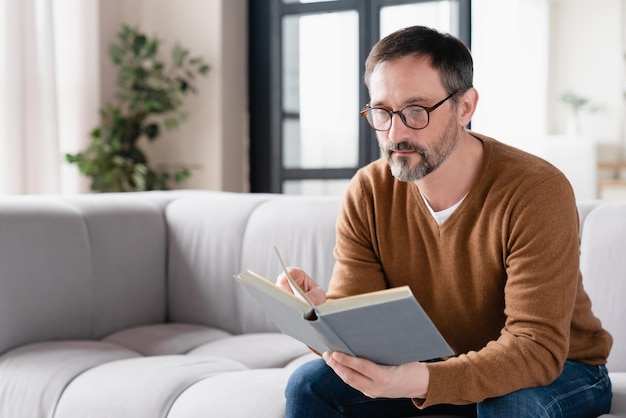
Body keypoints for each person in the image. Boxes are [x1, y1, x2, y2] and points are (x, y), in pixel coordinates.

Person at [276, 25, 613, 418]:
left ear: (465, 107)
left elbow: (535, 348)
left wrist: (417, 381)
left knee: (512, 405)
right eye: (382, 112)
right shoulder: (368, 191)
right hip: (430, 366)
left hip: (561, 370)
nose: (395, 133)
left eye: (416, 111)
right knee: (309, 385)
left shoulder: (536, 190)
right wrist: (323, 319)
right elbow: (366, 341)